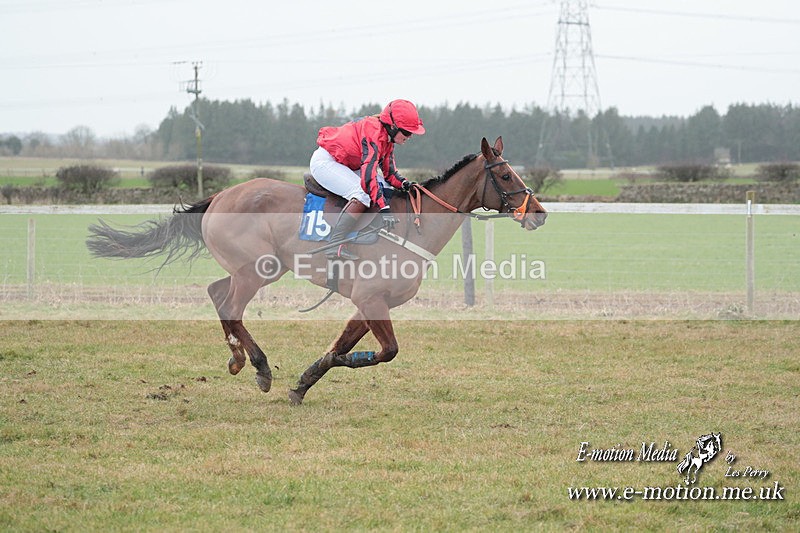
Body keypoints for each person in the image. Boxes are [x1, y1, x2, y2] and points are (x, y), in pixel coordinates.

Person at [309, 99, 425, 260]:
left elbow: (389, 173)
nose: (410, 136)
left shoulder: (388, 139)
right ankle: (334, 245)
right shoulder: (374, 132)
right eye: (406, 132)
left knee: (386, 188)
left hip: (348, 164)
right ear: (392, 126)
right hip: (326, 162)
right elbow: (368, 177)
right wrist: (383, 208)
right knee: (362, 193)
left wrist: (405, 184)